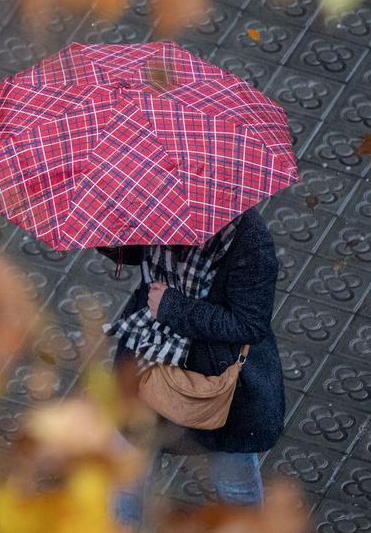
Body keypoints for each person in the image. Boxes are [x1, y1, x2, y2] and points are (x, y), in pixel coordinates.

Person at [98, 208, 284, 523]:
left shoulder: (250, 242)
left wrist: (173, 306)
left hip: (217, 383)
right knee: (126, 475)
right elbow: (136, 252)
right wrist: (112, 235)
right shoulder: (154, 204)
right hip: (148, 359)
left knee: (234, 484)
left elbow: (249, 325)